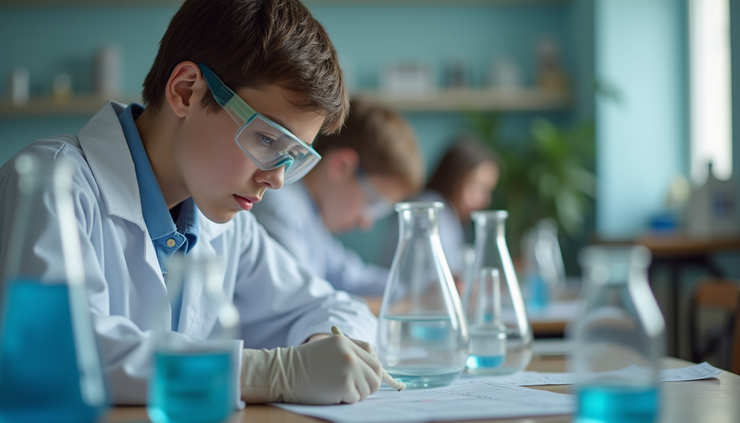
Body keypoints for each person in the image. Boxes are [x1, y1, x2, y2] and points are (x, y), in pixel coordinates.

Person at [0, 0, 383, 407]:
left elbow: (334, 306)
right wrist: (267, 372)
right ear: (186, 91)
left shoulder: (225, 223)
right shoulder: (50, 183)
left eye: (295, 156)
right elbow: (57, 348)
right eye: (267, 139)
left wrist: (326, 346)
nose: (277, 178)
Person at [252, 99, 423, 296]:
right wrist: (409, 305)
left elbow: (355, 279)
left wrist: (421, 290)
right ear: (342, 167)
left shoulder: (313, 218)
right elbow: (300, 306)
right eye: (374, 203)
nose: (366, 222)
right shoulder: (280, 208)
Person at [386, 137, 499, 279]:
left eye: (488, 190)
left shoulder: (449, 217)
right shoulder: (428, 213)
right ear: (454, 177)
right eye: (478, 186)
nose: (485, 200)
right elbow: (434, 285)